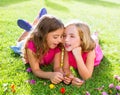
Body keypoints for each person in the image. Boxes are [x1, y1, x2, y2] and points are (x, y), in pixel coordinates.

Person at [62, 21, 103, 86]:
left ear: (82, 39)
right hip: (84, 42)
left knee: (94, 40)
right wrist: (71, 77)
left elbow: (86, 77)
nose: (66, 39)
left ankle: (95, 36)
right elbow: (65, 68)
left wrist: (78, 55)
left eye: (72, 36)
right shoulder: (68, 46)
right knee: (92, 39)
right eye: (64, 35)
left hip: (93, 49)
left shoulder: (90, 52)